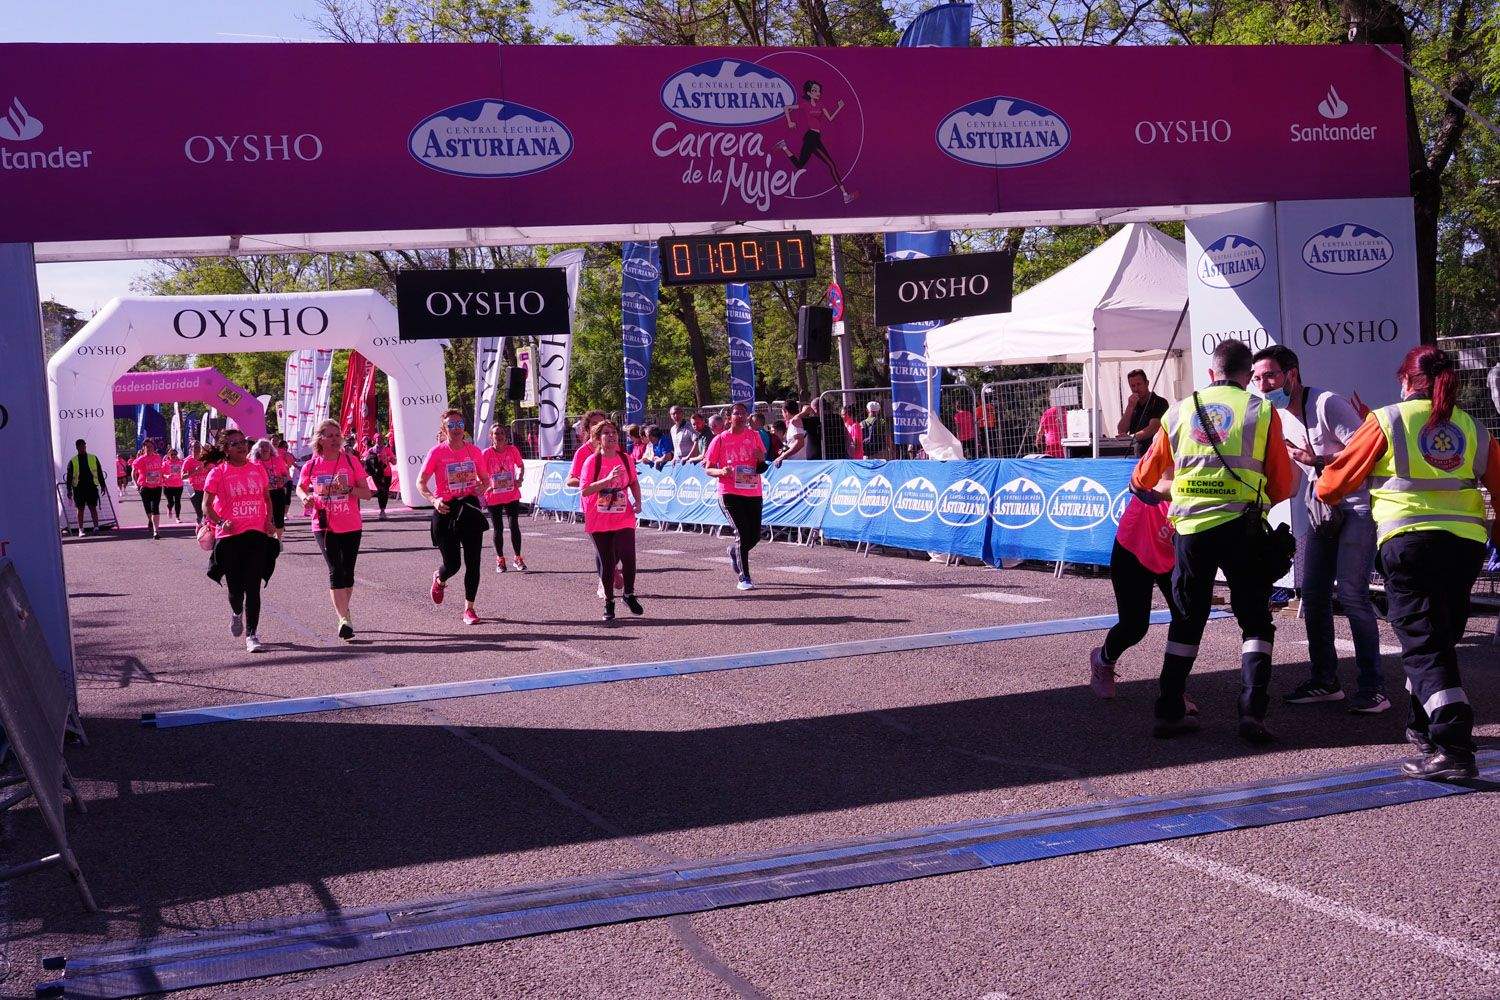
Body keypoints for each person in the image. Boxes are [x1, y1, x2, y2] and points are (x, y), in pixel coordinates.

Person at [1317, 345, 1500, 782]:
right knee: (1440, 637)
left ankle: (1454, 747)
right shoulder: (1473, 426)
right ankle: (1422, 729)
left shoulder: (1387, 420)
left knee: (1423, 645)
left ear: (1406, 379)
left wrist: (1327, 476)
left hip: (1409, 544)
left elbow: (1332, 485)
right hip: (1466, 546)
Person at [1131, 339, 1294, 743]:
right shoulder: (1262, 410)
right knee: (1255, 620)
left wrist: (1175, 487)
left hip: (1191, 532)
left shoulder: (1181, 411)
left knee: (1187, 619)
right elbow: (1284, 484)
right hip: (1243, 527)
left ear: (1211, 372)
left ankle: (1169, 711)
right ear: (1247, 375)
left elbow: (1144, 478)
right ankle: (1252, 714)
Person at [1251, 346, 1387, 714]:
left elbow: (1369, 451)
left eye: (1271, 376)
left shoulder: (1327, 403)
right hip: (1322, 510)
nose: (1264, 385)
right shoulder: (1279, 414)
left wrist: (1318, 460)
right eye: (1258, 378)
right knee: (1312, 595)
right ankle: (1325, 681)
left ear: (1292, 374)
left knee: (1354, 595)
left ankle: (1373, 687)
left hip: (1356, 509)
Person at [1090, 480, 1194, 715]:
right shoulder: (1165, 446)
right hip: (1134, 547)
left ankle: (1174, 691)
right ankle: (1102, 661)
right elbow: (1138, 478)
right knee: (1135, 626)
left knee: (1187, 622)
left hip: (1174, 551)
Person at [297, 420, 374, 641]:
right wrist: (306, 498)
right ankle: (343, 619)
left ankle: (344, 612)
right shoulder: (311, 466)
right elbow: (301, 488)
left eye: (337, 435)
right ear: (320, 439)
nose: (334, 439)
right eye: (329, 435)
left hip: (351, 524)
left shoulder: (351, 462)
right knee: (335, 570)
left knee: (348, 572)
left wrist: (349, 488)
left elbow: (367, 494)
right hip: (323, 525)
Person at [202, 429, 277, 653]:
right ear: (226, 450)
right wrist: (221, 521)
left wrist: (269, 520)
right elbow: (206, 505)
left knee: (253, 587)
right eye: (234, 444)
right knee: (236, 590)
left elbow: (267, 498)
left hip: (256, 533)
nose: (241, 446)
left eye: (243, 442)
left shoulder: (258, 469)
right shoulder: (218, 473)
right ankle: (237, 613)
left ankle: (252, 634)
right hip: (230, 537)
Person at [418, 409, 490, 625]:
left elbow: (486, 480)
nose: (456, 428)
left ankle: (469, 608)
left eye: (459, 424)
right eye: (451, 425)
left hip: (469, 508)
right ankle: (440, 579)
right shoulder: (437, 453)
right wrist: (434, 500)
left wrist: (481, 487)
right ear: (444, 429)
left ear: (464, 428)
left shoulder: (475, 452)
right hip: (446, 510)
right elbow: (420, 483)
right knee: (453, 564)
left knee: (473, 562)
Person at [578, 420, 644, 621]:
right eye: (606, 433)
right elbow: (585, 489)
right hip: (599, 516)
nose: (612, 436)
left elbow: (633, 481)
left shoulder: (625, 458)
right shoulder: (592, 461)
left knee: (629, 556)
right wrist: (606, 481)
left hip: (622, 513)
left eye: (614, 432)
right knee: (607, 563)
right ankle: (609, 601)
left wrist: (638, 502)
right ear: (598, 439)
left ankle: (629, 594)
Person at [704, 402, 767, 591]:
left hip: (752, 490)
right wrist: (722, 471)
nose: (739, 417)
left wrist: (760, 457)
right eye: (736, 413)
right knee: (741, 532)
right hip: (729, 492)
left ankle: (734, 551)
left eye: (743, 414)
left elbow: (762, 462)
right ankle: (744, 577)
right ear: (729, 417)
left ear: (747, 417)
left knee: (754, 536)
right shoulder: (720, 439)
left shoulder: (754, 436)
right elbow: (708, 468)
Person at [775, 80, 855, 204]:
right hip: (811, 138)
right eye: (814, 91)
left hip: (815, 137)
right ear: (809, 93)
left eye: (818, 91)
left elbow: (830, 118)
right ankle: (845, 195)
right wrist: (789, 121)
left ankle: (784, 146)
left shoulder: (821, 105)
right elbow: (787, 107)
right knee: (831, 165)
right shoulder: (805, 104)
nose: (818, 93)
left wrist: (839, 107)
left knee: (800, 165)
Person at [482, 422, 527, 573]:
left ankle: (518, 557)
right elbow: (479, 472)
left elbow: (520, 465)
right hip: (493, 495)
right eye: (496, 433)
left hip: (511, 493)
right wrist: (486, 484)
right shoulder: (486, 454)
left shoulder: (512, 450)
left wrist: (519, 478)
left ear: (505, 436)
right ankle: (500, 560)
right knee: (498, 528)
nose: (499, 436)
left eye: (501, 433)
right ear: (491, 437)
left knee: (514, 525)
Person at [1118, 369, 1170, 458]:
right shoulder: (1133, 404)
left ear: (1147, 383)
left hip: (1155, 454)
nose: (1136, 389)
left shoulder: (1159, 402)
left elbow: (1153, 428)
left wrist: (1132, 438)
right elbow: (1121, 429)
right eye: (1133, 386)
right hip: (1135, 455)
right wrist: (1130, 408)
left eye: (1139, 384)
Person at [65, 438, 106, 537]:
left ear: (85, 446)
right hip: (79, 489)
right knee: (80, 509)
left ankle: (96, 527)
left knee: (93, 507)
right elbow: (69, 477)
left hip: (91, 487)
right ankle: (81, 530)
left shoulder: (93, 458)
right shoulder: (73, 461)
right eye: (80, 446)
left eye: (83, 446)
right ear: (77, 447)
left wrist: (103, 485)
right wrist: (69, 490)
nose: (82, 448)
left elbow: (100, 472)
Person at [252, 439, 290, 540]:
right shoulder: (254, 463)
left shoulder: (277, 460)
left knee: (279, 517)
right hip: (263, 494)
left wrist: (282, 479)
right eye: (262, 446)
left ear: (271, 448)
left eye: (267, 446)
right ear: (257, 450)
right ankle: (268, 538)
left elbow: (286, 475)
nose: (265, 448)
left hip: (278, 491)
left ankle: (279, 539)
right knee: (266, 517)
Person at [132, 440, 166, 540]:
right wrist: (135, 483)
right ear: (144, 448)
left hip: (157, 486)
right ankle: (151, 521)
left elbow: (160, 470)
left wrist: (163, 478)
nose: (150, 448)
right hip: (144, 486)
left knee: (155, 507)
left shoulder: (158, 457)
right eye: (147, 446)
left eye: (151, 446)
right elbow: (133, 472)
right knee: (148, 508)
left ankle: (156, 531)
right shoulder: (140, 459)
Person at [363, 433, 394, 521]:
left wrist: (389, 459)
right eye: (378, 438)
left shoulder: (387, 449)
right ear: (374, 440)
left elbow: (394, 462)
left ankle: (383, 509)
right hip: (376, 474)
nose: (380, 440)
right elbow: (366, 461)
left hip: (387, 473)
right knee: (381, 490)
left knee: (385, 491)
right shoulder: (371, 450)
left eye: (381, 438)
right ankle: (382, 511)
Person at [775, 400, 810, 465]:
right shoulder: (799, 421)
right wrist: (785, 450)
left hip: (797, 463)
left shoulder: (794, 423)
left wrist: (782, 456)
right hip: (798, 462)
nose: (783, 415)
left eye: (782, 412)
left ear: (786, 411)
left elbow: (800, 443)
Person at [162, 448, 186, 524]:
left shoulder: (181, 462)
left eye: (175, 454)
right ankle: (169, 508)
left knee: (178, 501)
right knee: (171, 502)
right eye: (172, 454)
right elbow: (161, 474)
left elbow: (185, 470)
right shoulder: (165, 463)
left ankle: (177, 517)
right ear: (168, 455)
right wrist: (166, 476)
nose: (173, 456)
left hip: (178, 485)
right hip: (167, 486)